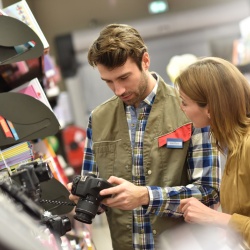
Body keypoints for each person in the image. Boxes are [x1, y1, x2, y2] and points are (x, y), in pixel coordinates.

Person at [67, 24, 221, 250]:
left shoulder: (188, 109)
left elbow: (209, 191)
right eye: (108, 81)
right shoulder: (98, 119)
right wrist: (86, 198)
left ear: (145, 61)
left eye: (124, 77)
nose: (118, 90)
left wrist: (145, 196)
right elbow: (95, 191)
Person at [176, 56, 250, 248]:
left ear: (209, 108)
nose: (181, 108)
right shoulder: (233, 147)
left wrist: (216, 218)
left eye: (184, 102)